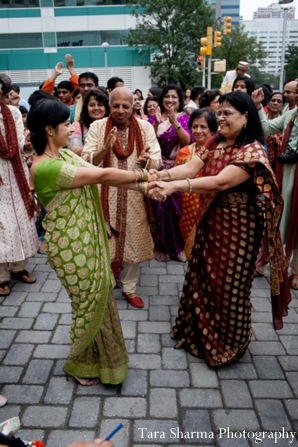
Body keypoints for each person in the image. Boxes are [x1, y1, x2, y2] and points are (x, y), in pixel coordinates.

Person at [148, 92, 290, 366]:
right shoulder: (218, 141)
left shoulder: (253, 151)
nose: (221, 118)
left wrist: (173, 187)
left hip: (239, 230)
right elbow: (191, 167)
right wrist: (162, 175)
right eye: (220, 112)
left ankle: (229, 344)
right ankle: (199, 336)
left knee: (229, 287)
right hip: (210, 222)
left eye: (228, 113)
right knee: (203, 278)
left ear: (246, 117)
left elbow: (220, 183)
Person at [27, 98, 157, 384]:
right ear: (49, 130)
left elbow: (91, 164)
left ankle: (100, 362)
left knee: (99, 302)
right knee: (88, 306)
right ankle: (79, 365)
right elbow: (103, 175)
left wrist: (109, 153)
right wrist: (147, 177)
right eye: (65, 125)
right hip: (73, 248)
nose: (71, 129)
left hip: (84, 242)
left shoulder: (62, 155)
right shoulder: (48, 167)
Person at [81, 87, 162, 308]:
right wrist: (104, 148)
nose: (120, 110)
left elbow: (157, 157)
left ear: (134, 105)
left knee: (132, 243)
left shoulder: (145, 128)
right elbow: (86, 160)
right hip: (104, 196)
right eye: (115, 105)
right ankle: (104, 287)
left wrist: (147, 160)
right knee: (102, 243)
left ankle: (129, 289)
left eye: (125, 106)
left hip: (135, 196)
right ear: (110, 105)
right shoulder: (98, 127)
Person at [252, 86, 298, 290]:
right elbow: (267, 128)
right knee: (277, 218)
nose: (291, 95)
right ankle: (264, 263)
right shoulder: (292, 114)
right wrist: (257, 105)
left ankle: (296, 271)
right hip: (287, 173)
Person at [0, 78, 39, 297]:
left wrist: (26, 146)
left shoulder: (13, 113)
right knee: (2, 224)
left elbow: (18, 145)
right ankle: (1, 276)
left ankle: (18, 267)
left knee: (22, 217)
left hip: (16, 173)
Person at [150, 84, 194, 262]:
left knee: (178, 208)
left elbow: (187, 142)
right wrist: (156, 123)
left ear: (180, 99)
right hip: (159, 167)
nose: (170, 100)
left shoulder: (185, 118)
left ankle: (179, 246)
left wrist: (174, 121)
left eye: (174, 96)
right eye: (167, 96)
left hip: (178, 168)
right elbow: (150, 141)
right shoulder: (155, 118)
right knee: (158, 206)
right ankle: (163, 247)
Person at [175, 108, 218, 259]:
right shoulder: (185, 152)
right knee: (192, 252)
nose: (198, 130)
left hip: (211, 207)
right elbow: (177, 178)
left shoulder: (219, 152)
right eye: (195, 126)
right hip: (188, 209)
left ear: (212, 130)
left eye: (203, 127)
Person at [69, 90, 109, 156]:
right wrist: (101, 146)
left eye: (100, 105)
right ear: (86, 108)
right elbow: (73, 151)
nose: (96, 108)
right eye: (92, 105)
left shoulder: (112, 125)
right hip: (86, 165)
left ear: (106, 109)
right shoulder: (77, 126)